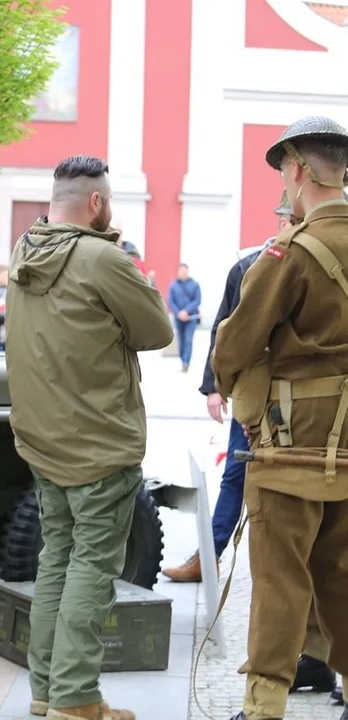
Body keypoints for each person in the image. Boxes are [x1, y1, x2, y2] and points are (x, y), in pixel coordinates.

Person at [6, 155, 173, 720]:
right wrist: (115, 254)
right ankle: (76, 699)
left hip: (42, 438)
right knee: (92, 569)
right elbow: (157, 330)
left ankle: (46, 691)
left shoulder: (24, 252)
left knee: (56, 560)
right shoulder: (105, 259)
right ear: (97, 203)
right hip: (99, 440)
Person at [212, 116, 348, 720]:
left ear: (296, 169)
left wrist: (230, 382)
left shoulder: (288, 252)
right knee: (343, 578)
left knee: (280, 579)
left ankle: (265, 706)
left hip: (292, 444)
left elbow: (233, 346)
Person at [165, 194, 294, 583]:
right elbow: (224, 331)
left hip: (303, 395)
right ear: (280, 221)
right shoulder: (250, 266)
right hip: (257, 395)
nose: (289, 224)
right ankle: (210, 554)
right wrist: (214, 387)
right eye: (286, 218)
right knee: (236, 473)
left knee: (294, 479)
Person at [168, 264, 202, 372]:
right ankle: (182, 359)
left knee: (188, 340)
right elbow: (170, 301)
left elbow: (197, 300)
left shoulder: (194, 284)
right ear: (178, 272)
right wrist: (178, 313)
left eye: (185, 271)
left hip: (191, 317)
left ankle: (186, 362)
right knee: (181, 341)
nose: (183, 273)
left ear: (188, 271)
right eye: (181, 271)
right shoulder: (173, 285)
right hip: (178, 318)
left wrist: (186, 311)